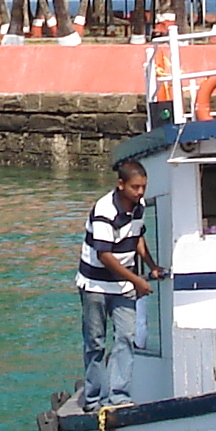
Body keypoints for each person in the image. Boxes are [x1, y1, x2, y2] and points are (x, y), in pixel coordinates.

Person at [76, 156, 158, 409]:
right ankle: (93, 398)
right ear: (121, 184)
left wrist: (153, 266)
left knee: (126, 337)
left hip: (122, 286)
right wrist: (137, 281)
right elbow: (105, 256)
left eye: (143, 187)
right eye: (135, 187)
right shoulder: (104, 211)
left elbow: (137, 238)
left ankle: (119, 396)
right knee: (96, 341)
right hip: (95, 286)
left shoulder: (139, 206)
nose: (140, 192)